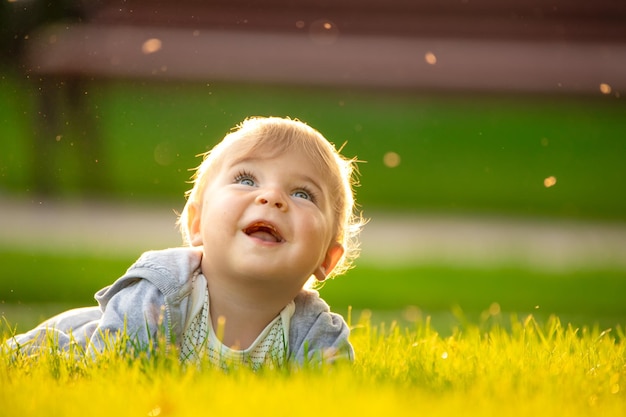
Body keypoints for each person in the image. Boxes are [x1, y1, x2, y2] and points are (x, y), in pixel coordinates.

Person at [4, 116, 365, 368]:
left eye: (303, 193)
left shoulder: (315, 334)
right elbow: (111, 376)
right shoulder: (159, 294)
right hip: (65, 349)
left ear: (328, 260)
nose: (272, 197)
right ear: (197, 223)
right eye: (247, 179)